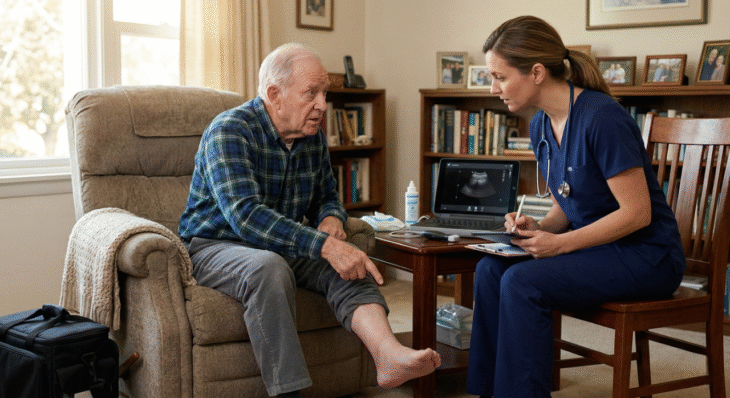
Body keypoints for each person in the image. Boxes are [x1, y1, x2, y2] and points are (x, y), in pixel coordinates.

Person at [178, 43, 441, 398]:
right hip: (215, 246)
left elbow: (326, 196)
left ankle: (388, 355)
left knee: (346, 261)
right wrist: (324, 245)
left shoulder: (310, 136)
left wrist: (332, 218)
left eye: (324, 93)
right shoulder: (229, 131)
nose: (322, 104)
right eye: (311, 93)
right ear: (274, 94)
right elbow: (246, 217)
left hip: (280, 243)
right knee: (267, 268)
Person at [466, 16, 686, 398]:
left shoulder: (602, 117)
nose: (493, 87)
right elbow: (567, 208)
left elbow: (638, 214)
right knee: (489, 269)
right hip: (597, 250)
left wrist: (561, 245)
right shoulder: (539, 126)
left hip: (647, 256)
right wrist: (538, 227)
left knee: (522, 282)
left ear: (536, 72)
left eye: (499, 76)